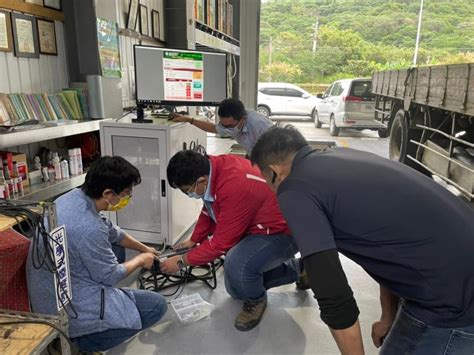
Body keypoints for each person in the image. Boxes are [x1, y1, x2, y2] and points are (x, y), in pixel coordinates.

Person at [250, 126, 474, 355]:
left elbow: (332, 294)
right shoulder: (341, 158)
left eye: (266, 179)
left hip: (453, 298)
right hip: (454, 270)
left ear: (275, 171)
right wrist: (388, 316)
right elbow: (385, 239)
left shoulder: (294, 188)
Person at [26, 156, 167, 352]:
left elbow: (113, 232)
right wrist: (141, 260)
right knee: (156, 306)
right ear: (108, 193)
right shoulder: (88, 227)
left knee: (116, 247)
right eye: (126, 193)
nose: (127, 198)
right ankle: (78, 341)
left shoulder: (73, 197)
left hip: (52, 287)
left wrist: (144, 248)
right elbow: (110, 276)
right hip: (64, 308)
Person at [162, 150, 301, 331]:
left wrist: (182, 261)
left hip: (283, 232)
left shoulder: (234, 185)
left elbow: (220, 244)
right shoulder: (213, 169)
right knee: (235, 289)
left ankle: (257, 300)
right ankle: (301, 270)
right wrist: (195, 239)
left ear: (201, 181)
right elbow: (209, 208)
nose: (188, 194)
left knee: (237, 265)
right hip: (258, 227)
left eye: (187, 190)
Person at [169, 98, 273, 156]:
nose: (227, 129)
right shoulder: (231, 124)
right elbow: (214, 128)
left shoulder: (259, 124)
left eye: (230, 126)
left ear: (243, 118)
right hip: (254, 155)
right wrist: (188, 120)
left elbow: (278, 148)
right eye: (224, 125)